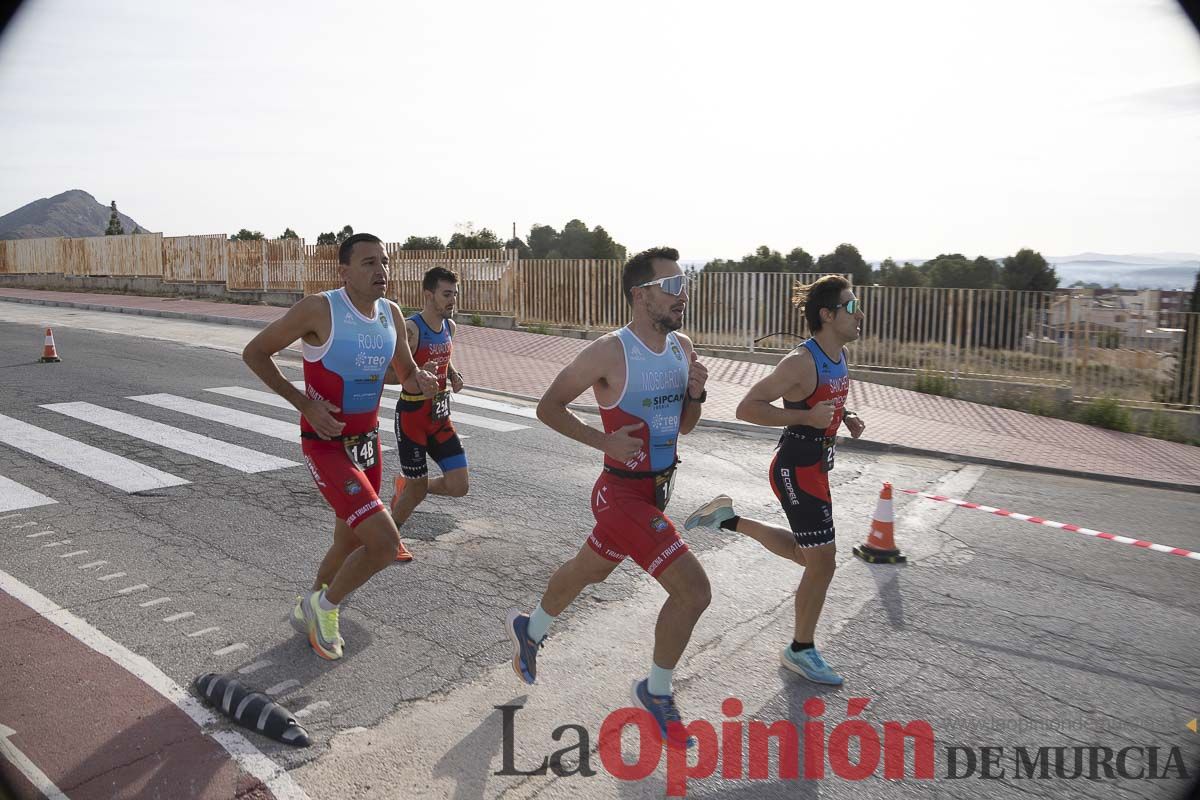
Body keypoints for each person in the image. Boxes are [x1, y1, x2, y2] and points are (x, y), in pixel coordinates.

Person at [504, 246, 711, 747]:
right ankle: (656, 690)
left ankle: (530, 631)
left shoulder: (682, 347)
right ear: (641, 295)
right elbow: (547, 407)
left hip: (658, 490)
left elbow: (684, 426)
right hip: (620, 494)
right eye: (673, 286)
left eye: (684, 285)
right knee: (694, 590)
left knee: (588, 570)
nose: (683, 295)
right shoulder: (608, 352)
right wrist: (603, 441)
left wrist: (697, 395)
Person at [242, 233, 437, 660]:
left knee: (349, 543)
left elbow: (404, 373)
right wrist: (305, 404)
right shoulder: (320, 309)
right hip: (327, 445)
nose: (381, 271)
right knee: (384, 544)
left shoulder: (391, 313)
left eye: (384, 262)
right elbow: (255, 352)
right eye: (368, 263)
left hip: (368, 445)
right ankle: (325, 606)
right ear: (343, 271)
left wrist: (419, 382)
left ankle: (308, 604)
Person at [683, 275, 866, 686]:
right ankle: (801, 650)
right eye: (852, 306)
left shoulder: (837, 356)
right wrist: (805, 417)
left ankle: (727, 519)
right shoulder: (801, 361)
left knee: (808, 556)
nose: (860, 314)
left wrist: (843, 416)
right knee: (823, 562)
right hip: (795, 469)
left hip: (814, 468)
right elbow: (748, 408)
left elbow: (823, 399)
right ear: (827, 314)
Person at [389, 267, 468, 560]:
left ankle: (408, 486)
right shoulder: (411, 329)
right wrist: (416, 376)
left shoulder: (450, 327)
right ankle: (390, 538)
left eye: (455, 295)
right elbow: (388, 372)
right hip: (412, 416)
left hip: (439, 417)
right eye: (446, 295)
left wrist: (454, 375)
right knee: (417, 489)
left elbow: (445, 360)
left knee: (459, 486)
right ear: (428, 295)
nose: (452, 301)